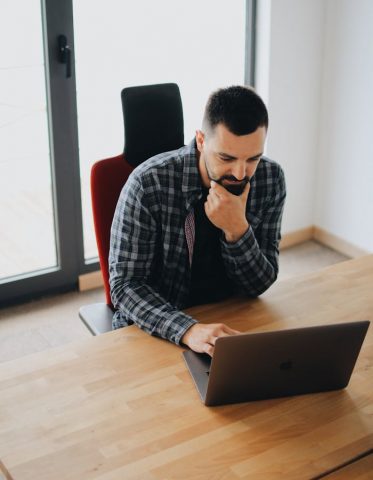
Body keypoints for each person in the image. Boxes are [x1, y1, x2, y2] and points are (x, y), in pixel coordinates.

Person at [109, 85, 286, 356]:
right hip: (159, 327)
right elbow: (125, 287)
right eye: (226, 157)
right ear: (201, 140)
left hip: (229, 321)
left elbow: (259, 285)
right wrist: (188, 330)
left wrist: (237, 229)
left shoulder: (270, 179)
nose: (240, 173)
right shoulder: (148, 184)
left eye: (253, 158)